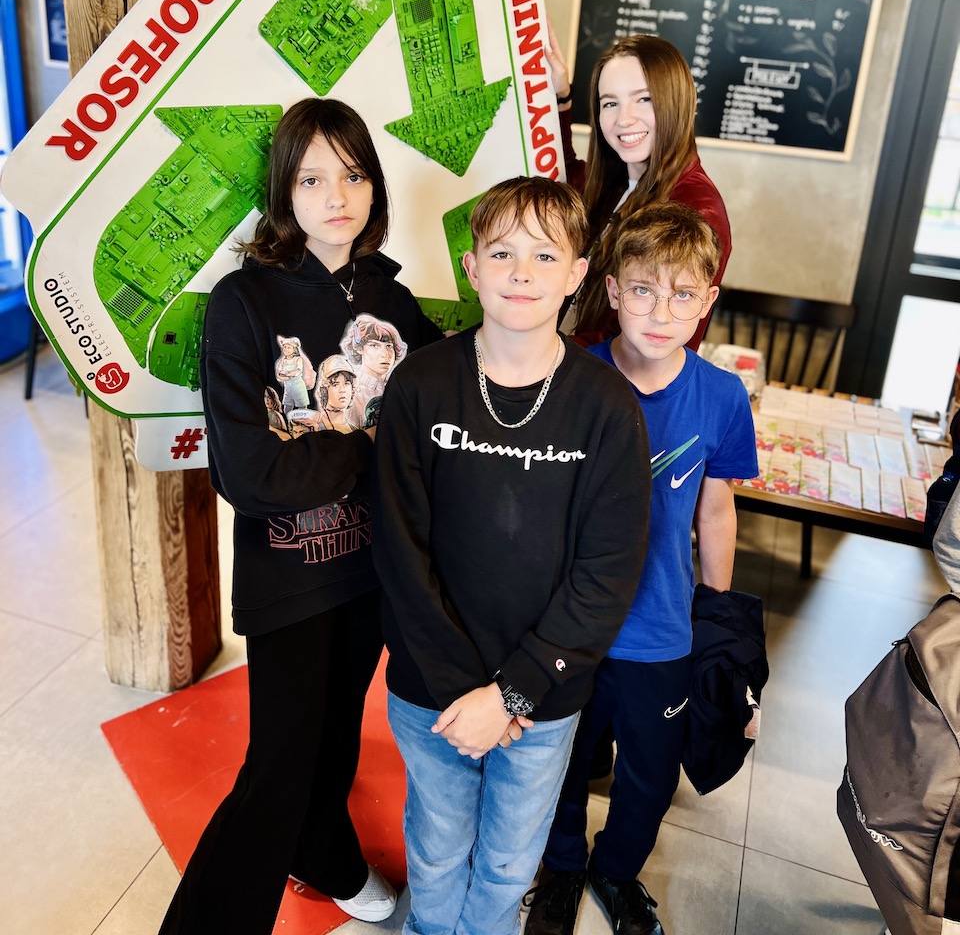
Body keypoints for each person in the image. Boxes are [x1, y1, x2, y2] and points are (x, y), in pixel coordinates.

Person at [159, 97, 442, 935]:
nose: (336, 197)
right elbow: (251, 473)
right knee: (279, 767)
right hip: (290, 574)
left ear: (374, 185)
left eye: (352, 175)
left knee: (335, 738)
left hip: (375, 569)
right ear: (284, 191)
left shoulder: (394, 300)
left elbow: (439, 413)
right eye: (312, 179)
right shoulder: (244, 301)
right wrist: (366, 444)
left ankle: (325, 854)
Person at [372, 176, 651, 935]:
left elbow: (606, 573)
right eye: (501, 253)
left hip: (544, 698)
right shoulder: (421, 384)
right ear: (471, 269)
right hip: (430, 689)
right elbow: (398, 551)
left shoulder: (606, 407)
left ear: (577, 275)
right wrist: (467, 692)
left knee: (506, 861)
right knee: (436, 850)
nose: (521, 272)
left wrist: (511, 696)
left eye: (544, 255)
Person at [524, 202, 758, 935]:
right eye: (643, 290)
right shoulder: (569, 376)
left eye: (683, 294)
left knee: (650, 777)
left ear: (707, 301)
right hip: (570, 624)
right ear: (612, 291)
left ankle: (617, 873)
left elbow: (715, 513)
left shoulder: (722, 397)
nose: (661, 312)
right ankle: (562, 869)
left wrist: (717, 617)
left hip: (662, 629)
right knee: (562, 762)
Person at [545, 22, 730, 350]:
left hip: (601, 377)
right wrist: (561, 96)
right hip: (569, 362)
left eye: (643, 99)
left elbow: (643, 344)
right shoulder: (619, 183)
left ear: (677, 103)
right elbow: (565, 172)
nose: (624, 119)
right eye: (610, 103)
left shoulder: (694, 208)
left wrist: (532, 352)